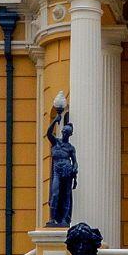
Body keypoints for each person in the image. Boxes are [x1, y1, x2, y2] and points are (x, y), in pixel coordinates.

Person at [47, 92, 77, 226]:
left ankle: (65, 219)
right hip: (57, 170)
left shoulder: (70, 148)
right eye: (64, 131)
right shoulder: (55, 143)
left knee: (65, 196)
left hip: (67, 171)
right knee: (55, 194)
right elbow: (48, 133)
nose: (64, 133)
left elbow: (75, 162)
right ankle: (53, 219)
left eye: (67, 132)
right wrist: (55, 120)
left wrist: (75, 170)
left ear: (70, 134)